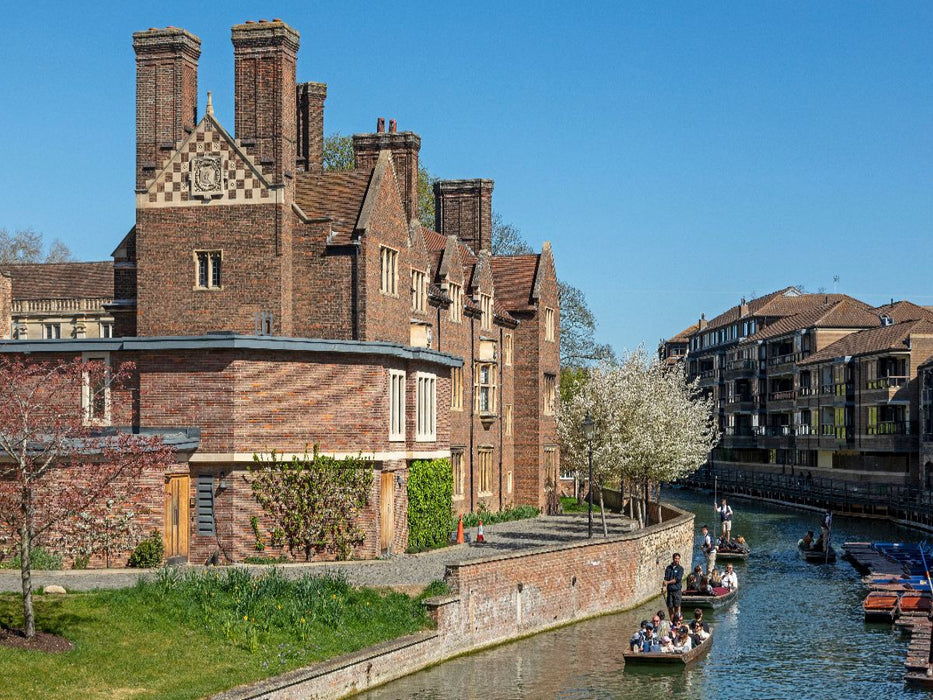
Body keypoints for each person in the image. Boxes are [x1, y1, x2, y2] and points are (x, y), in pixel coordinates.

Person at [663, 553, 684, 620]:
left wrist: (668, 582)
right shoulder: (668, 568)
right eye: (675, 558)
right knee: (670, 606)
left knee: (677, 606)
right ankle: (672, 621)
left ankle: (677, 621)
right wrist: (664, 586)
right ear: (673, 559)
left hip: (677, 590)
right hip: (670, 590)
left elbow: (677, 579)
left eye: (678, 559)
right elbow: (666, 578)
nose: (677, 560)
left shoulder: (680, 569)